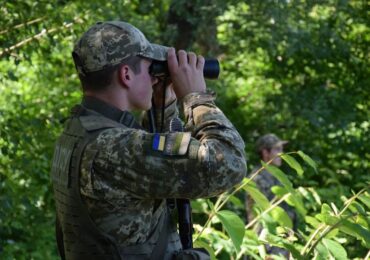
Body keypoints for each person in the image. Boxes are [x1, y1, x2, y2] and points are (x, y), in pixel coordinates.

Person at [50, 21, 246, 260]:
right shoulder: (115, 146)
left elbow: (151, 164)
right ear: (126, 75)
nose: (155, 79)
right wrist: (196, 98)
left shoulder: (79, 131)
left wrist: (164, 108)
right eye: (149, 70)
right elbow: (229, 162)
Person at [245, 133, 296, 258]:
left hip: (283, 240)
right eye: (277, 149)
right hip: (269, 243)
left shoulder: (278, 177)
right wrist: (266, 247)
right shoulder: (256, 178)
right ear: (265, 153)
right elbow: (257, 216)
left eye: (282, 149)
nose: (282, 154)